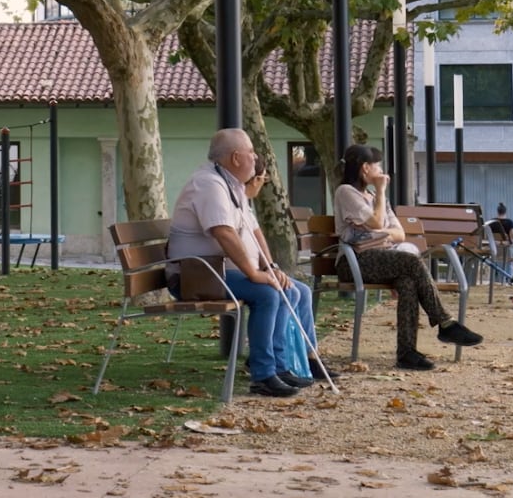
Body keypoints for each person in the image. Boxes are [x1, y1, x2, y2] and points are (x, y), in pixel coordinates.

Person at [167, 129, 324, 397]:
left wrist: (271, 267)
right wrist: (253, 273)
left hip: (218, 271)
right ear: (237, 157)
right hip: (195, 275)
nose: (256, 157)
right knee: (268, 293)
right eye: (251, 152)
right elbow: (223, 232)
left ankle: (280, 365)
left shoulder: (233, 185)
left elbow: (254, 231)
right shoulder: (209, 184)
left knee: (294, 289)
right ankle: (263, 375)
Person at [334, 144, 483, 370]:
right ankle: (444, 322)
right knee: (413, 261)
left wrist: (378, 229)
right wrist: (382, 197)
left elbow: (399, 233)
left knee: (408, 282)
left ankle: (407, 353)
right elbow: (376, 222)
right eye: (378, 165)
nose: (382, 170)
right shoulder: (346, 192)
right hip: (354, 260)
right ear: (366, 168)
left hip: (383, 258)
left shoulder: (374, 197)